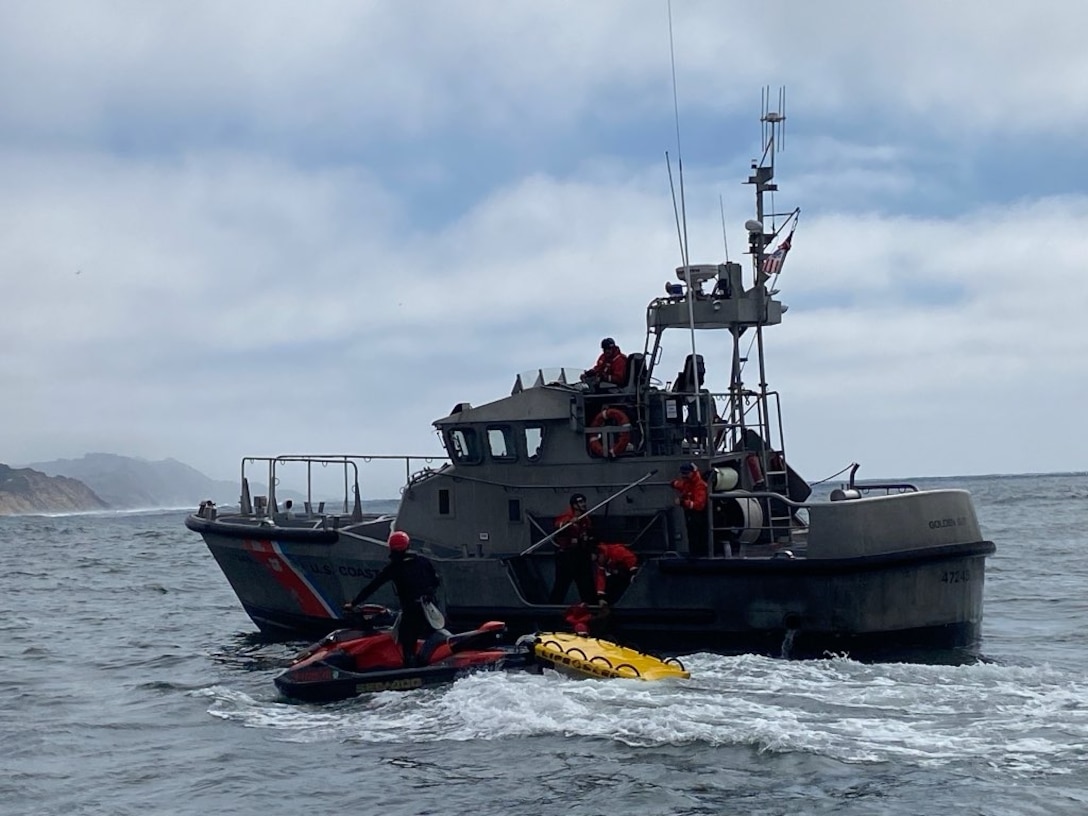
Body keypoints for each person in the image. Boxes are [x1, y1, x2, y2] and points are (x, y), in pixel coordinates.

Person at [342, 531, 441, 666]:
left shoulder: (394, 567)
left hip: (411, 611)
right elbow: (436, 581)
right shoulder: (423, 561)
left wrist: (353, 603)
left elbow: (373, 586)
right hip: (429, 609)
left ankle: (411, 670)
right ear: (408, 545)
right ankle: (432, 662)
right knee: (431, 637)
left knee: (407, 643)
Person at [549, 493, 598, 604]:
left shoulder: (585, 519)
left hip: (582, 555)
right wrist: (568, 523)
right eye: (580, 502)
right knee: (561, 585)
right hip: (567, 557)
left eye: (584, 501)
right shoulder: (567, 517)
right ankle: (552, 608)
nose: (583, 504)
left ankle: (591, 607)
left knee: (587, 585)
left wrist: (593, 551)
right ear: (574, 505)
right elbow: (558, 526)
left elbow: (590, 535)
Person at [672, 462, 709, 556]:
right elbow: (683, 486)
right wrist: (674, 483)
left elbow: (699, 505)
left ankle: (698, 555)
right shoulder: (688, 482)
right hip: (690, 513)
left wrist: (683, 503)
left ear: (692, 472)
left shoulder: (699, 485)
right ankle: (694, 553)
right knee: (691, 534)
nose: (684, 476)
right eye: (683, 473)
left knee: (696, 534)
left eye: (686, 473)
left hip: (697, 514)